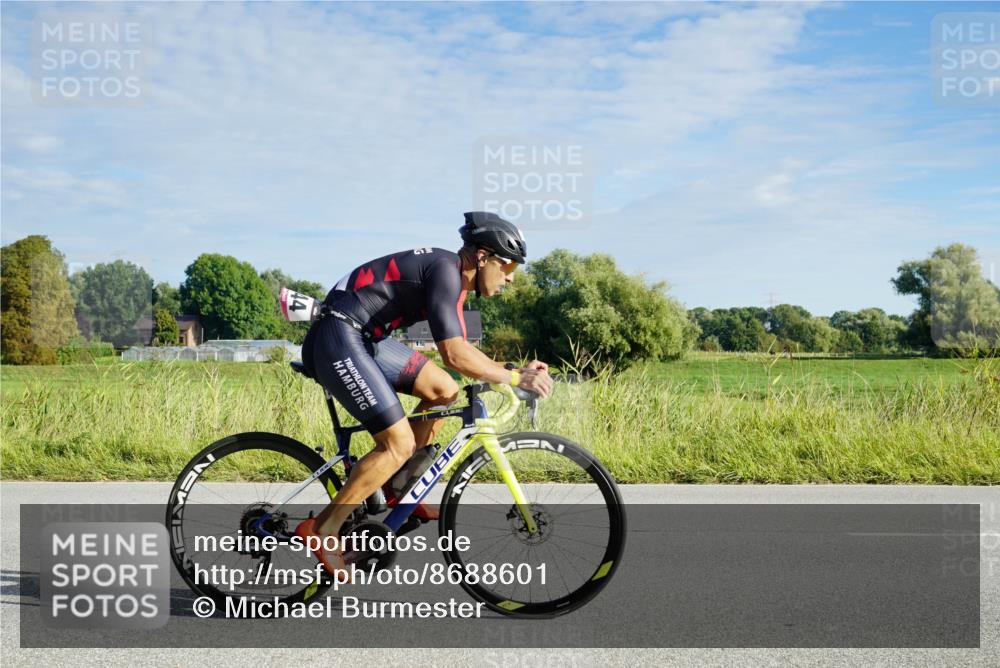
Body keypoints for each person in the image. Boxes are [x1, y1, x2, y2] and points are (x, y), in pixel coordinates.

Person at [295, 211, 554, 580]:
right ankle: (323, 529)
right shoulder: (448, 271)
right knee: (396, 443)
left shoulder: (453, 278)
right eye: (508, 263)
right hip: (337, 336)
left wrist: (514, 369)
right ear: (482, 257)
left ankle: (396, 487)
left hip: (366, 338)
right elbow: (455, 355)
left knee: (443, 389)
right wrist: (516, 377)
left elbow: (463, 352)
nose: (511, 275)